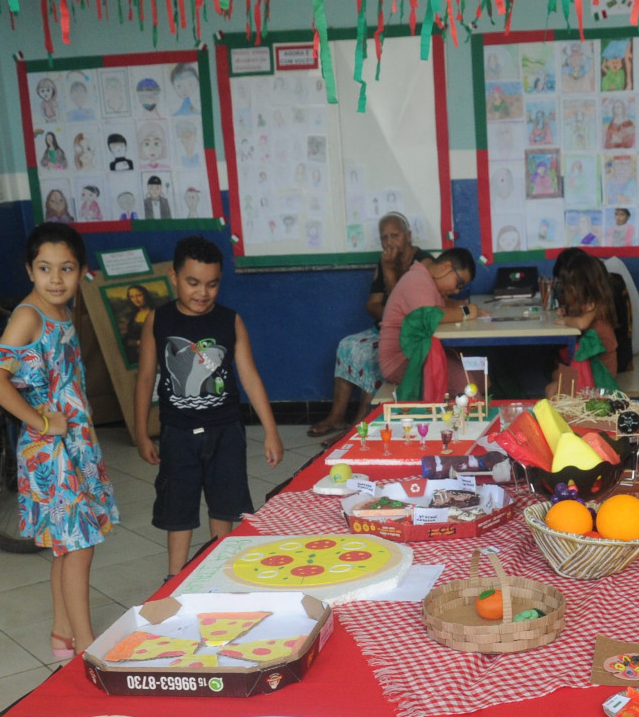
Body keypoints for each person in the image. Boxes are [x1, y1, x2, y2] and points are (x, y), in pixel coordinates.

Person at [0, 222, 119, 658]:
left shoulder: (61, 312)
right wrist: (41, 422)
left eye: (66, 268)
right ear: (29, 270)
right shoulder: (28, 316)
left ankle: (62, 634)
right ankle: (87, 648)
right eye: (45, 268)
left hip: (75, 443)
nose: (55, 279)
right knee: (78, 547)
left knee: (69, 544)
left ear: (82, 272)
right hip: (50, 451)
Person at [131, 237, 285, 578]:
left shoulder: (230, 321)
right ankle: (174, 578)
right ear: (173, 276)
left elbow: (250, 377)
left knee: (225, 503)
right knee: (178, 508)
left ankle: (220, 571)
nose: (202, 292)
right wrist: (141, 432)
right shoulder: (159, 320)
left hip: (225, 430)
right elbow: (144, 379)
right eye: (193, 282)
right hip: (177, 433)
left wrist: (271, 431)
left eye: (212, 284)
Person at [310, 213, 427, 438]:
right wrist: (390, 314)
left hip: (406, 335)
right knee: (347, 345)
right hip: (384, 327)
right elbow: (373, 304)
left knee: (370, 354)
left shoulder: (421, 262)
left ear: (409, 236)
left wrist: (391, 277)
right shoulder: (384, 262)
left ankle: (359, 427)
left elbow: (403, 307)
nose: (389, 242)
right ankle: (337, 417)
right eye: (384, 238)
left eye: (395, 235)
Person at [378, 247, 484, 394]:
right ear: (446, 267)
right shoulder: (417, 281)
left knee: (479, 373)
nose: (457, 291)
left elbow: (442, 305)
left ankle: (466, 413)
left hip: (420, 352)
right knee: (466, 382)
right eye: (458, 283)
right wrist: (465, 312)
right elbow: (428, 316)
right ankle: (469, 415)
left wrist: (466, 307)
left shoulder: (430, 281)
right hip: (401, 360)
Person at [549, 248, 618, 393]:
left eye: (570, 286)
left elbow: (581, 323)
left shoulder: (597, 302)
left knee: (552, 389)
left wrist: (567, 320)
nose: (568, 290)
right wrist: (566, 312)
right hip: (588, 365)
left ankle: (565, 413)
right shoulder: (590, 302)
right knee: (554, 377)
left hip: (599, 371)